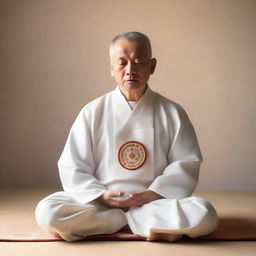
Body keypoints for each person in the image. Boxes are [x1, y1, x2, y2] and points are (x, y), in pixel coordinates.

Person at [35, 31, 218, 242]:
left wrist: (152, 194)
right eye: (122, 63)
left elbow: (185, 162)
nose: (130, 70)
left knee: (205, 213)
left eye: (139, 62)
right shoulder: (92, 111)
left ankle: (125, 220)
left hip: (154, 203)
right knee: (47, 211)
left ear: (152, 66)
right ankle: (122, 220)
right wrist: (101, 197)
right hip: (101, 204)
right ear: (111, 67)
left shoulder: (172, 112)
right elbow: (72, 166)